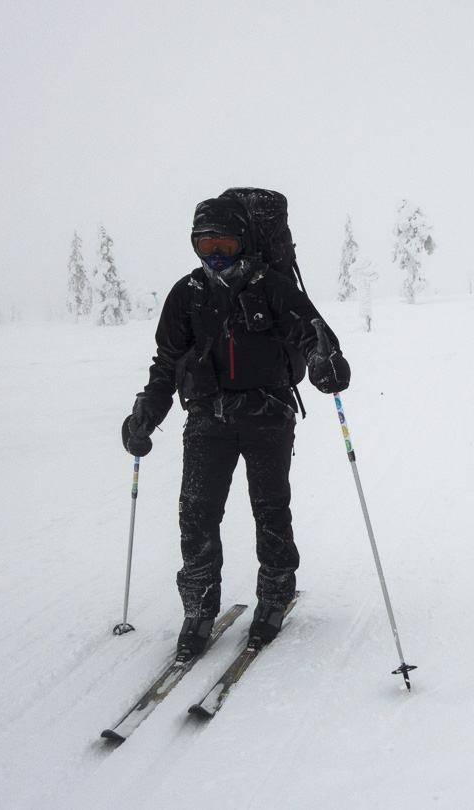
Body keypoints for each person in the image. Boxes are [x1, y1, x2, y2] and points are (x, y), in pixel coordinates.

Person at [121, 193, 350, 663]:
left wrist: (326, 361)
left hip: (267, 414)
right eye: (205, 245)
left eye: (224, 243)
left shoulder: (273, 286)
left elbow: (313, 333)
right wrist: (147, 413)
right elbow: (166, 362)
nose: (216, 255)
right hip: (207, 417)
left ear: (243, 241)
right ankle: (200, 608)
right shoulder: (187, 293)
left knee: (269, 509)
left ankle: (275, 593)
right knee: (196, 513)